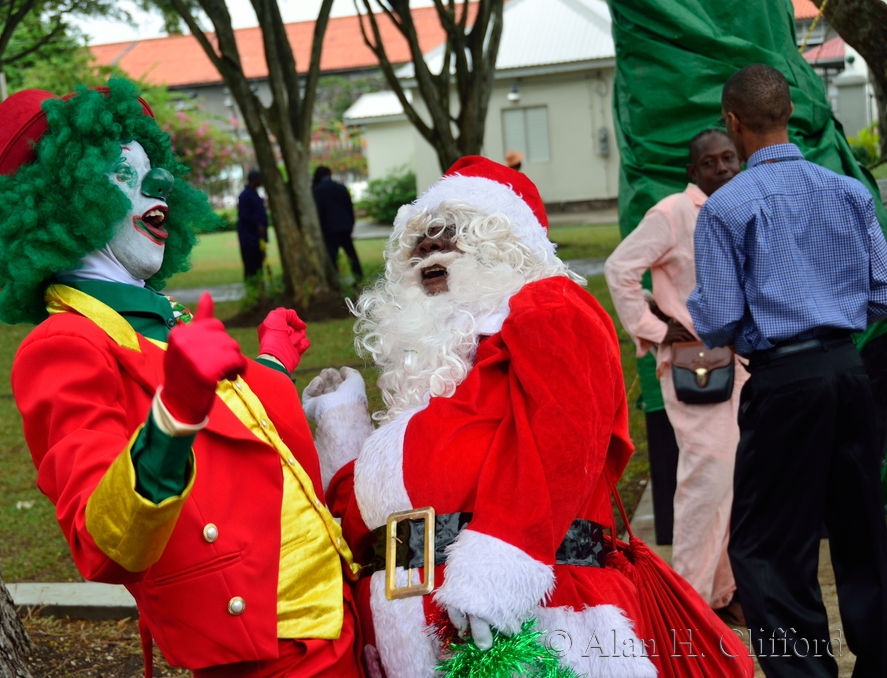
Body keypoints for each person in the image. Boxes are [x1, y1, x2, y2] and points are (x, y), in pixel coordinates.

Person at [0, 80, 363, 678]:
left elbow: (232, 426)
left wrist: (270, 364)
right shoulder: (63, 345)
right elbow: (104, 541)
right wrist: (174, 411)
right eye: (123, 174)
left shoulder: (156, 313)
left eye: (152, 172)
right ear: (64, 203)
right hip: (269, 651)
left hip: (337, 613)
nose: (159, 187)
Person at [303, 157, 662, 678]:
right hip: (414, 637)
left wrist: (497, 572)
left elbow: (563, 440)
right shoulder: (431, 390)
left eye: (453, 232)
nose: (429, 246)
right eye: (418, 240)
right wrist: (342, 425)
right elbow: (381, 520)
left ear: (505, 246)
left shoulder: (550, 307)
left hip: (529, 624)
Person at [687, 64, 887, 677]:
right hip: (849, 371)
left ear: (732, 122)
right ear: (790, 113)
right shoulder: (849, 192)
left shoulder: (726, 208)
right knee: (863, 531)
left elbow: (720, 319)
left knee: (769, 548)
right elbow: (882, 293)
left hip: (783, 382)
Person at [604, 128, 746, 624]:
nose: (722, 168)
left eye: (729, 158)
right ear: (692, 171)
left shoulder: (737, 208)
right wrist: (656, 329)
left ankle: (722, 593)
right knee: (705, 481)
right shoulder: (672, 212)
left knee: (729, 480)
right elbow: (619, 269)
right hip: (697, 367)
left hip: (741, 364)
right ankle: (687, 605)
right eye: (710, 162)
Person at [311, 166, 362, 281]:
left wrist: (321, 228)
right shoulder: (341, 187)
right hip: (344, 225)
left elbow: (319, 211)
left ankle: (334, 279)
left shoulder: (316, 190)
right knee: (351, 254)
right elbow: (349, 207)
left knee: (332, 256)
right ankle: (358, 276)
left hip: (329, 228)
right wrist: (351, 224)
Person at [237, 169, 268, 281]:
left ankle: (259, 285)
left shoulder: (255, 195)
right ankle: (252, 285)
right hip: (249, 238)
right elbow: (245, 216)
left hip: (257, 238)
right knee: (251, 264)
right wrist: (257, 225)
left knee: (259, 263)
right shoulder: (246, 196)